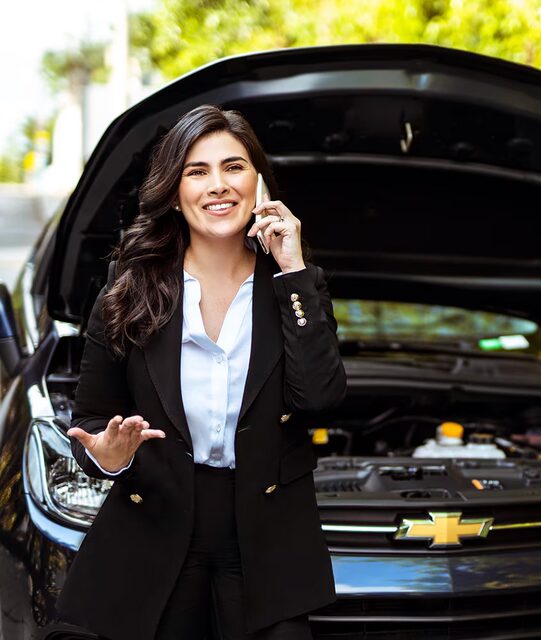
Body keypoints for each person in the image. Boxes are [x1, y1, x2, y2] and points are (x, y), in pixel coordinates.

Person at [57, 104, 346, 640]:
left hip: (268, 544)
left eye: (234, 167)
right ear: (173, 191)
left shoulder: (296, 285)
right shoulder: (127, 290)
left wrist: (293, 269)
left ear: (258, 182)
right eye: (198, 171)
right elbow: (92, 420)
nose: (218, 185)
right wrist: (108, 457)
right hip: (156, 531)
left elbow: (320, 399)